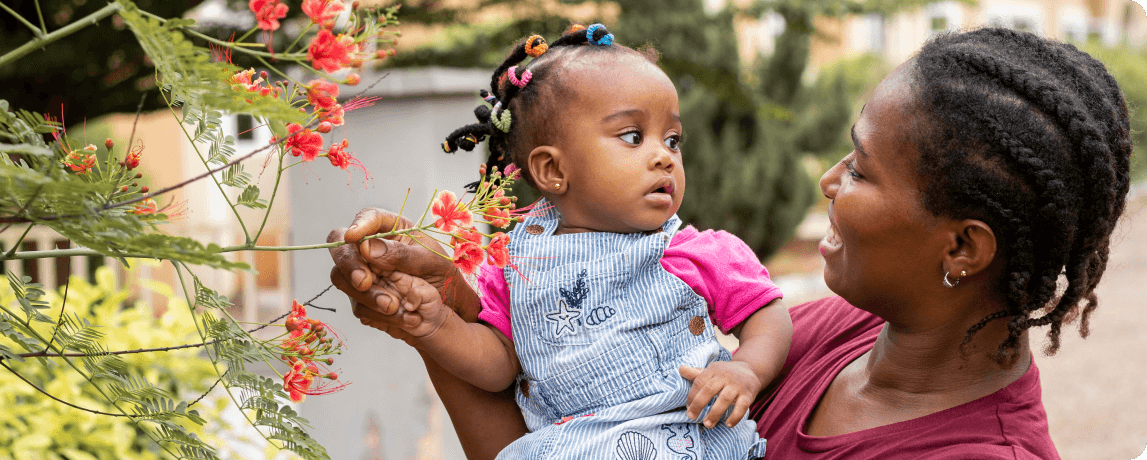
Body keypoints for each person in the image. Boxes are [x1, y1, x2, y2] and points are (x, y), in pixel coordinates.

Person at [328, 27, 1132, 459]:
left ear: (961, 248)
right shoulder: (818, 338)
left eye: (859, 169)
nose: (825, 181)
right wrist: (435, 317)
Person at [337, 23, 793, 459]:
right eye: (633, 136)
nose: (663, 157)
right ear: (553, 170)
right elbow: (500, 367)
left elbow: (767, 313)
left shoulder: (697, 252)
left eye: (673, 140)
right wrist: (439, 328)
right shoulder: (515, 263)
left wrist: (744, 367)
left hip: (685, 443)